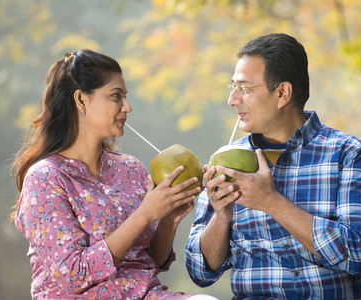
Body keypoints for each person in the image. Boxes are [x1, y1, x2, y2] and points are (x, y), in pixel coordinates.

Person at [185, 33, 361, 299]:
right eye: (232, 87)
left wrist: (270, 201)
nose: (232, 100)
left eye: (244, 88)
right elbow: (200, 271)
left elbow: (356, 253)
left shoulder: (348, 155)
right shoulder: (226, 161)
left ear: (282, 93)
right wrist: (221, 217)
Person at [12, 49, 218, 300]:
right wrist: (145, 214)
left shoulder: (130, 169)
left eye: (125, 97)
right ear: (81, 100)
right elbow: (73, 275)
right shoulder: (45, 178)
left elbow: (152, 260)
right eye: (116, 96)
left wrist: (168, 219)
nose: (127, 107)